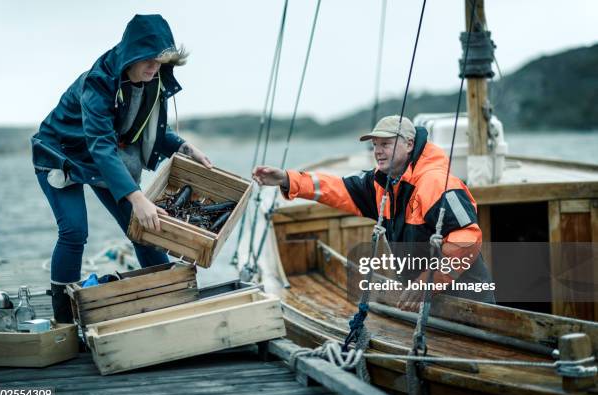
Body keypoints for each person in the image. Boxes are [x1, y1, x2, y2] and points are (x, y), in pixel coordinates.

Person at [31, 14, 212, 322]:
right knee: (74, 231)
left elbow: (145, 129)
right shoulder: (97, 83)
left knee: (145, 228)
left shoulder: (152, 80)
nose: (155, 68)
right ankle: (65, 318)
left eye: (161, 61)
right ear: (132, 54)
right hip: (59, 152)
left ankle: (168, 298)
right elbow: (101, 144)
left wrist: (183, 147)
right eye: (149, 61)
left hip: (102, 156)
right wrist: (137, 196)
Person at [252, 115, 495, 311]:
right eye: (375, 145)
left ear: (409, 144)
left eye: (386, 144)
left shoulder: (436, 183)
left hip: (469, 305)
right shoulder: (382, 185)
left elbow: (468, 238)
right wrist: (286, 179)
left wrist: (427, 281)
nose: (377, 151)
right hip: (424, 304)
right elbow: (337, 188)